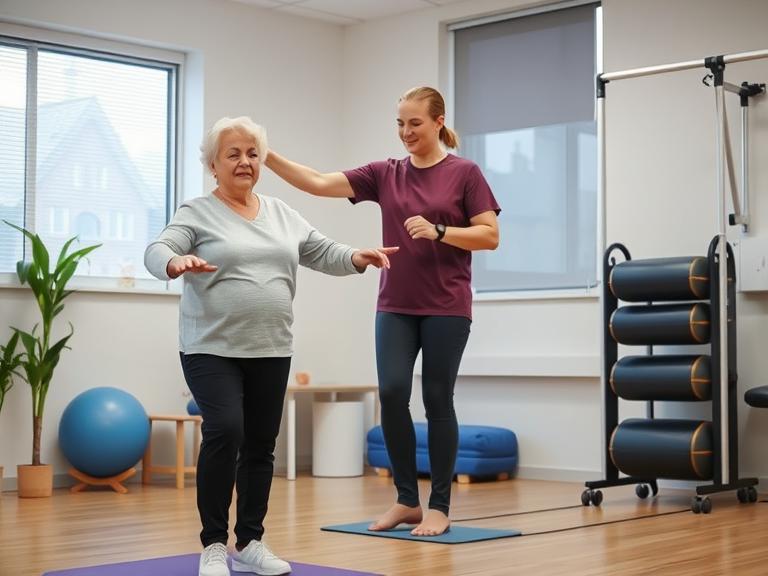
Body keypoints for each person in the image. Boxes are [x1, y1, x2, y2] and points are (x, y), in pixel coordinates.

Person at [144, 116, 397, 576]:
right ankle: (213, 545)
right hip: (210, 346)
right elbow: (157, 249)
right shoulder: (197, 212)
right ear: (213, 165)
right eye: (233, 154)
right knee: (225, 429)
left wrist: (357, 256)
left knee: (261, 445)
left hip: (271, 347)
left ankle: (252, 541)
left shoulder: (282, 213)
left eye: (252, 153)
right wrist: (175, 260)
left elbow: (323, 251)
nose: (245, 162)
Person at [264, 87, 500, 537]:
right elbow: (316, 182)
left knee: (436, 398)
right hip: (395, 303)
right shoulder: (384, 174)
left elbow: (489, 236)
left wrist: (440, 230)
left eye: (414, 122)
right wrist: (266, 155)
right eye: (399, 123)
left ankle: (440, 505)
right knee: (391, 393)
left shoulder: (464, 173)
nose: (406, 132)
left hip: (447, 305)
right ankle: (407, 500)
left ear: (437, 122)